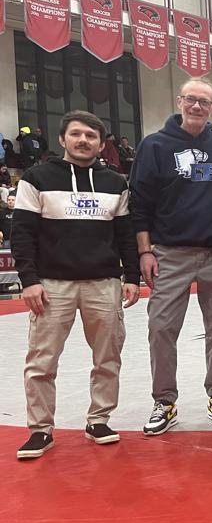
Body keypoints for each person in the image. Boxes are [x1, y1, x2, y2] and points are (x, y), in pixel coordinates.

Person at [13, 110, 140, 459]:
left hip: (103, 283)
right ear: (62, 139)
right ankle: (40, 430)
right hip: (52, 285)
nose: (83, 140)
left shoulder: (115, 182)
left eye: (91, 136)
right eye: (77, 134)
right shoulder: (37, 178)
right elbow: (22, 233)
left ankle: (99, 420)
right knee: (41, 361)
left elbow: (126, 235)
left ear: (101, 143)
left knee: (108, 357)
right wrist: (29, 280)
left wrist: (132, 276)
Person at [129, 77, 212, 434]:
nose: (196, 107)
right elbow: (140, 204)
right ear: (180, 101)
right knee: (161, 327)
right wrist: (144, 251)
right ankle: (164, 401)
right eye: (191, 100)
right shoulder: (155, 145)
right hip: (169, 252)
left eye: (204, 102)